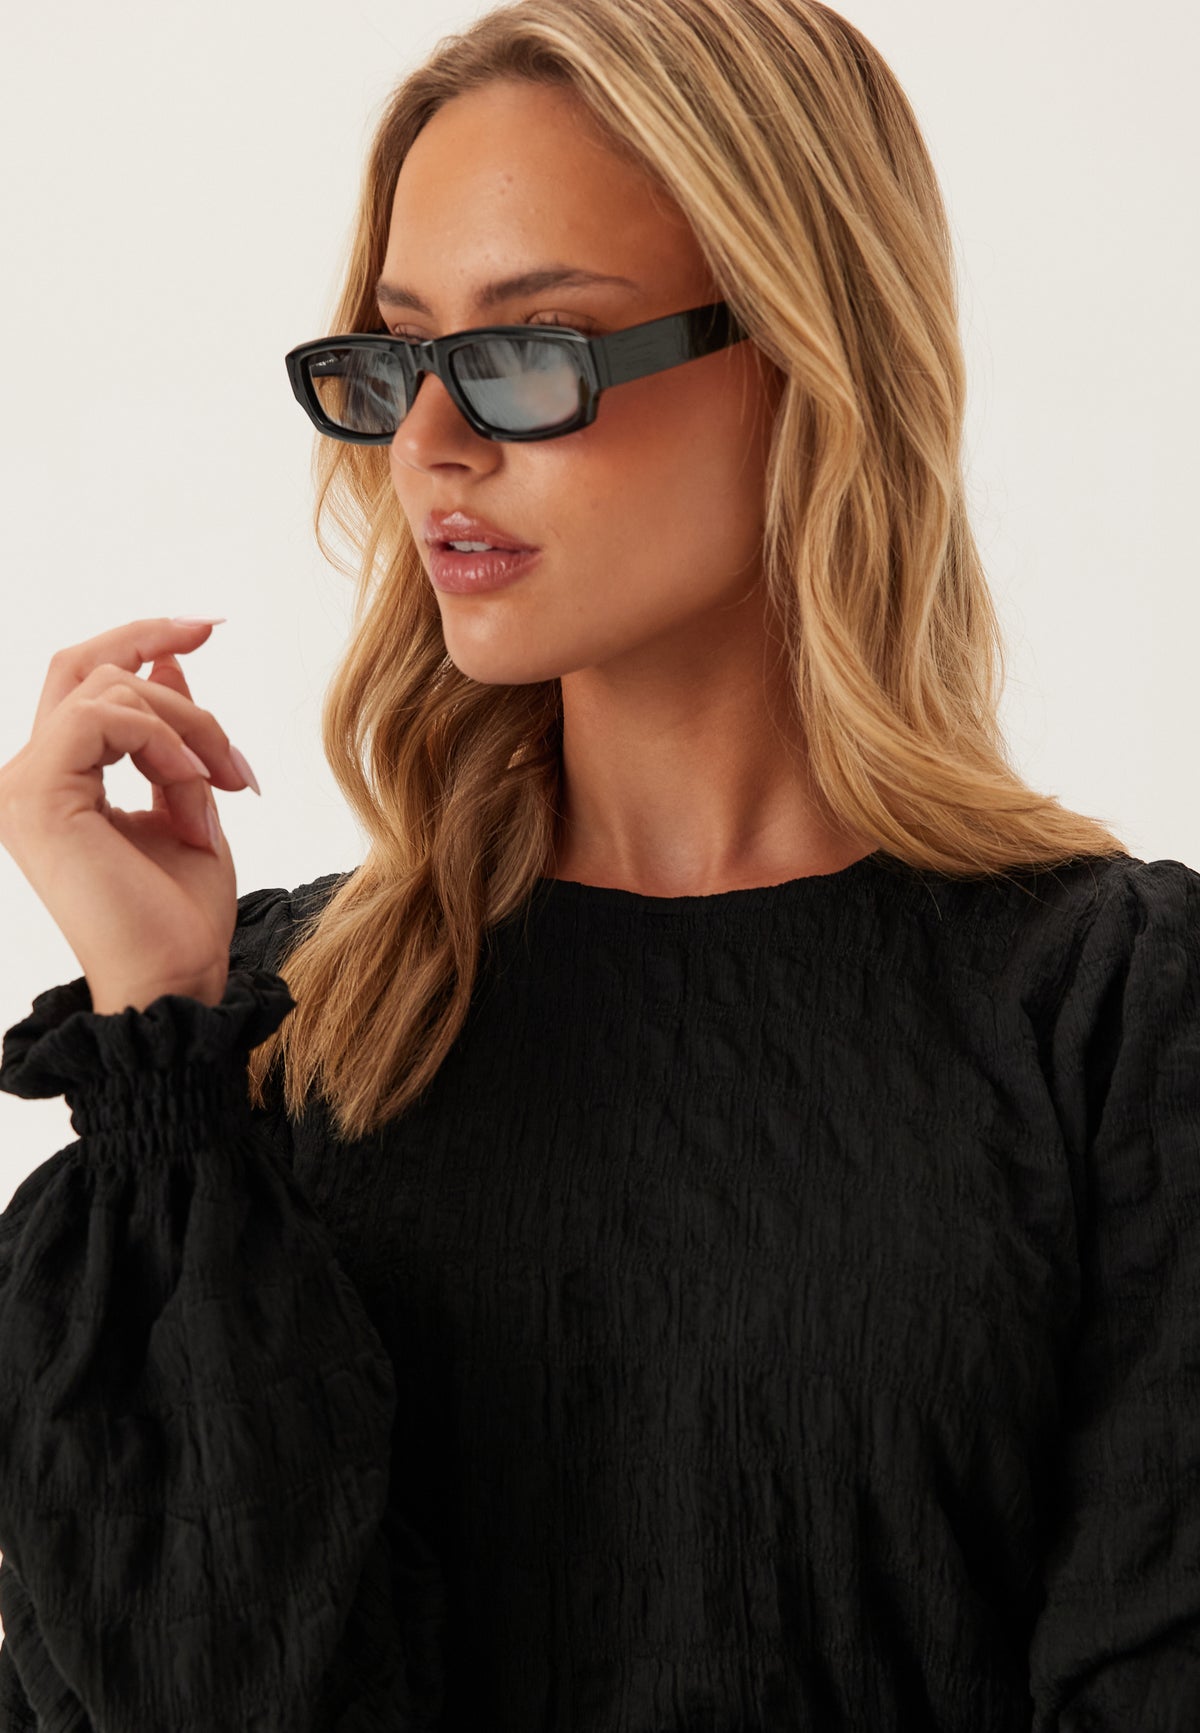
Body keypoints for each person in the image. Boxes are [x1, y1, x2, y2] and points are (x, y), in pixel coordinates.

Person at [0, 0, 1197, 1726]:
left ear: (804, 355)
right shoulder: (275, 1030)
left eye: (532, 349)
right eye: (401, 353)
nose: (430, 442)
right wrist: (157, 1044)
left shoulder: (1113, 1016)